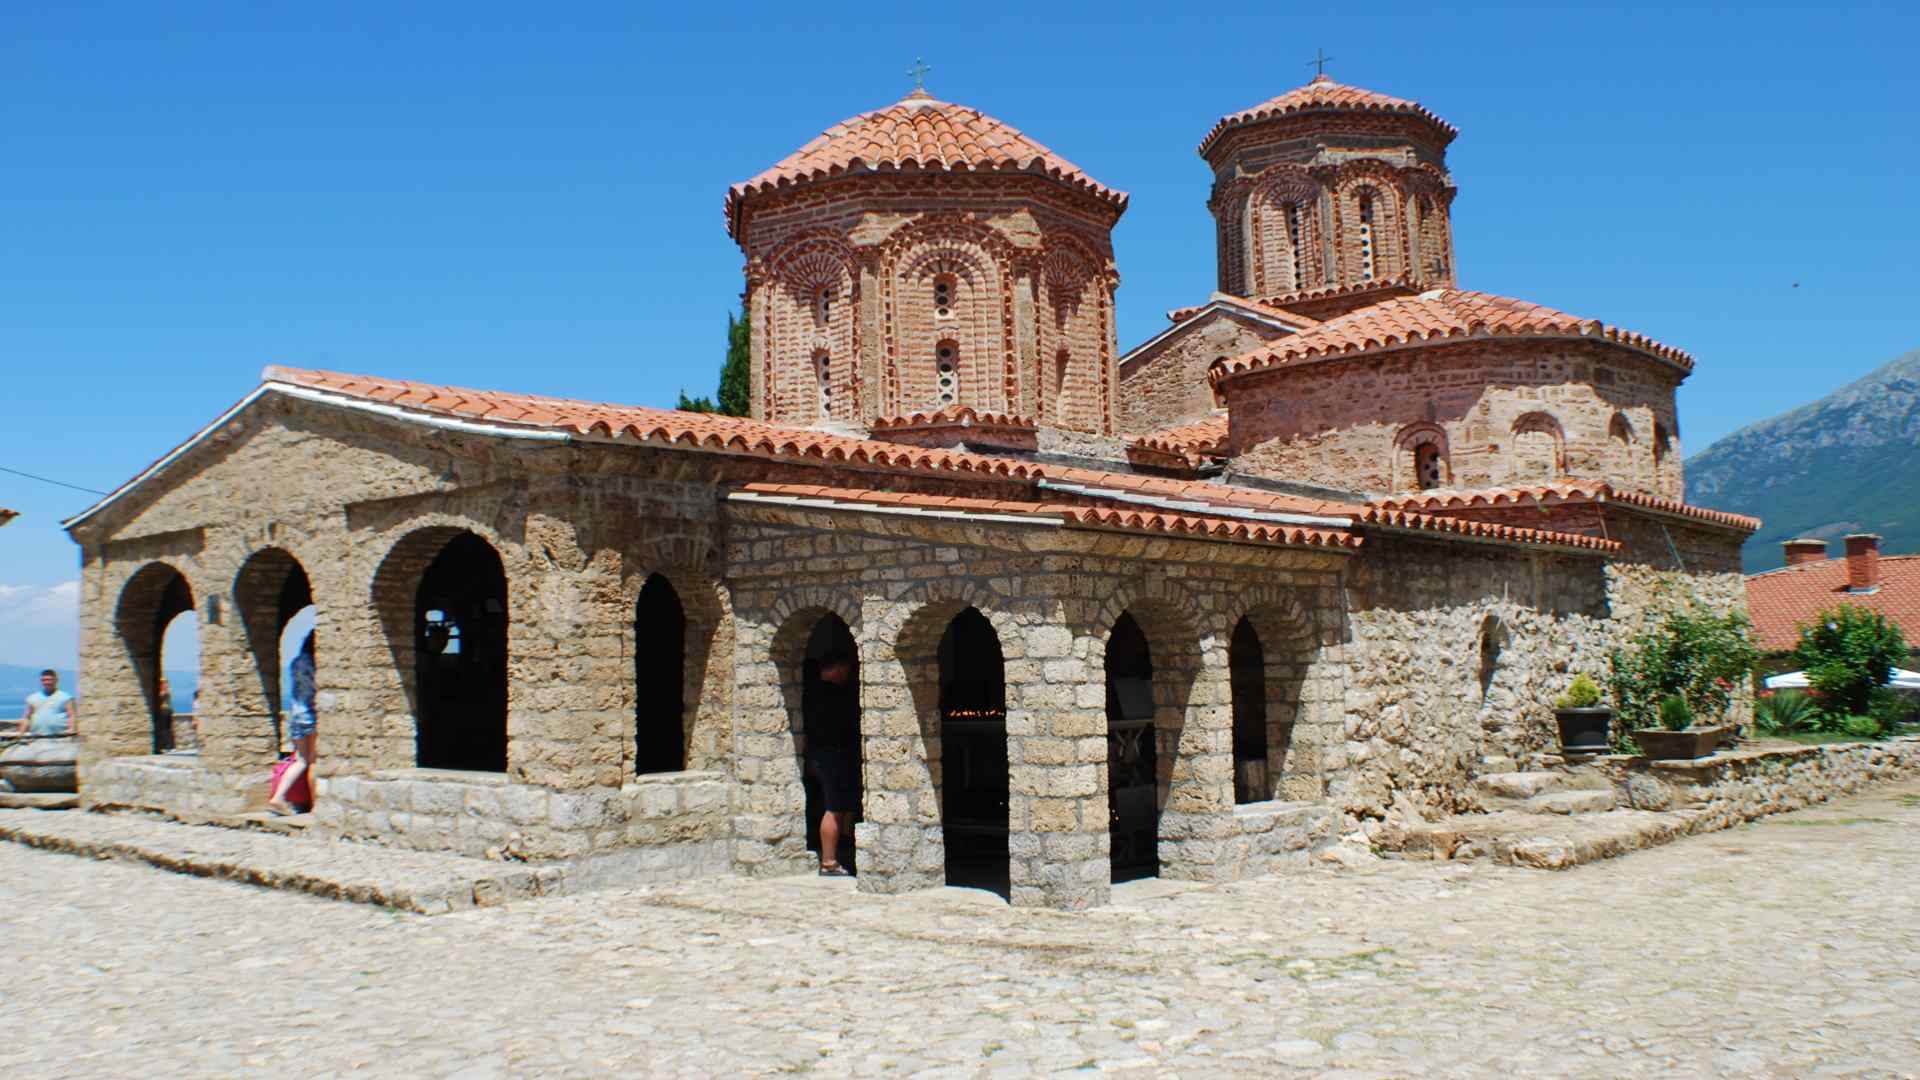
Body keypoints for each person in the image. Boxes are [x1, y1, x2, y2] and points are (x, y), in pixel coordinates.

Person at [803, 649, 859, 876]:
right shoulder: (834, 695)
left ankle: (839, 852)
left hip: (819, 755)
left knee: (838, 805)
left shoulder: (809, 692)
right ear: (838, 669)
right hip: (832, 756)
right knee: (833, 808)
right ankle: (828, 861)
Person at [267, 633, 317, 815]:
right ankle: (315, 804)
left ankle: (278, 797)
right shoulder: (315, 663)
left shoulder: (296, 662)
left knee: (300, 760)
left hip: (295, 715)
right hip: (312, 715)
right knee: (313, 762)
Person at [23, 669, 77, 736]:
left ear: (56, 680)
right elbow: (27, 717)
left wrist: (71, 730)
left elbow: (72, 715)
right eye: (44, 680)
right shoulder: (32, 698)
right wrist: (21, 734)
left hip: (61, 738)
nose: (47, 682)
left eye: (49, 680)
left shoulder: (66, 697)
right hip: (36, 737)